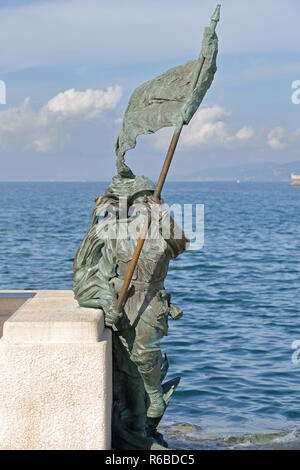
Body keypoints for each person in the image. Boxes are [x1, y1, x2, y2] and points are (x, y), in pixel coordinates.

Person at [73, 174, 188, 445]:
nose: (148, 202)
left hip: (152, 301)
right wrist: (106, 301)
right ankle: (138, 429)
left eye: (152, 198)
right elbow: (102, 274)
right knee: (128, 369)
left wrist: (162, 215)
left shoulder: (162, 230)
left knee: (145, 353)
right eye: (144, 198)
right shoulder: (118, 232)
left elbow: (181, 244)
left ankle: (155, 399)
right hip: (125, 303)